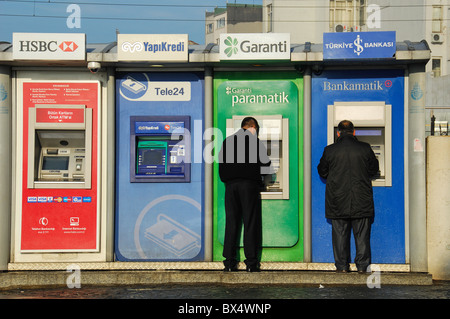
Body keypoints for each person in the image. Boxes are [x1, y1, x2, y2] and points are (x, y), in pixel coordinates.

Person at [317, 120, 379, 273]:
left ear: (338, 133)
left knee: (339, 235)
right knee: (362, 236)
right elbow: (374, 169)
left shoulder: (329, 150)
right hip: (361, 199)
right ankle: (363, 267)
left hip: (337, 199)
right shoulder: (365, 148)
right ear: (354, 132)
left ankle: (342, 267)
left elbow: (322, 171)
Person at [218, 117, 271, 272]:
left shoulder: (227, 141)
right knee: (250, 223)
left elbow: (221, 168)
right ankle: (251, 263)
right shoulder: (255, 142)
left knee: (232, 223)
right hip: (249, 186)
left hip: (231, 187)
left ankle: (229, 263)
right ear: (253, 127)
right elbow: (266, 165)